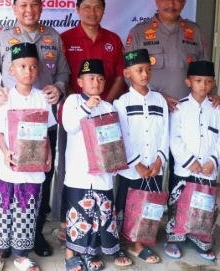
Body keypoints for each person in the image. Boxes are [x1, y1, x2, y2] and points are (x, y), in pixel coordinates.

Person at [0, 0, 70, 257]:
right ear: (14, 8)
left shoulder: (53, 37)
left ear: (42, 6)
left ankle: (36, 234)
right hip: (11, 120)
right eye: (23, 5)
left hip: (43, 118)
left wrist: (58, 88)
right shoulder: (3, 37)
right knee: (10, 176)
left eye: (34, 4)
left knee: (41, 174)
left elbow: (64, 73)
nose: (29, 9)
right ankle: (4, 238)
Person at [55, 0, 126, 241]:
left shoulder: (113, 40)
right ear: (77, 9)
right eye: (86, 7)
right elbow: (63, 77)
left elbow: (118, 77)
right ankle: (66, 220)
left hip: (105, 116)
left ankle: (102, 220)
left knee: (105, 167)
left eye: (97, 7)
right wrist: (84, 101)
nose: (92, 12)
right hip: (75, 113)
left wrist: (102, 104)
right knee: (70, 167)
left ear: (104, 10)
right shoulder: (65, 39)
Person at [0, 42, 56, 271]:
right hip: (10, 166)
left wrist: (49, 157)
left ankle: (22, 256)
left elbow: (46, 132)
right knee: (3, 209)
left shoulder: (43, 98)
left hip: (33, 170)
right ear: (11, 70)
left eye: (33, 67)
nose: (28, 72)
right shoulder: (6, 98)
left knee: (28, 210)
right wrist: (5, 153)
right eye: (23, 66)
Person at [62, 59, 132, 271]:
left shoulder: (108, 107)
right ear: (80, 81)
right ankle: (70, 253)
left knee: (98, 215)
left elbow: (114, 139)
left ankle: (91, 253)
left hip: (102, 173)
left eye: (100, 78)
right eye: (91, 78)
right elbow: (70, 126)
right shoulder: (73, 101)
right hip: (78, 172)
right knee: (78, 215)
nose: (96, 82)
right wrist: (86, 107)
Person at [113, 49, 168, 264]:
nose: (144, 74)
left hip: (154, 165)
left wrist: (158, 160)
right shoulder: (122, 102)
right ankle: (120, 242)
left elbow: (165, 132)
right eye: (139, 70)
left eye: (147, 69)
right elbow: (123, 135)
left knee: (148, 205)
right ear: (128, 73)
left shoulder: (160, 100)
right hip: (132, 167)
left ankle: (139, 243)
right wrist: (137, 164)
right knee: (126, 203)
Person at [165, 60, 218, 261]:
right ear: (189, 82)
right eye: (198, 81)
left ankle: (201, 240)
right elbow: (173, 138)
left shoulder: (217, 108)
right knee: (179, 204)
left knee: (204, 206)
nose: (203, 86)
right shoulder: (180, 108)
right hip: (184, 169)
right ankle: (174, 239)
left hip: (208, 170)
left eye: (207, 81)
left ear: (213, 83)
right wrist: (189, 161)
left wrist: (213, 160)